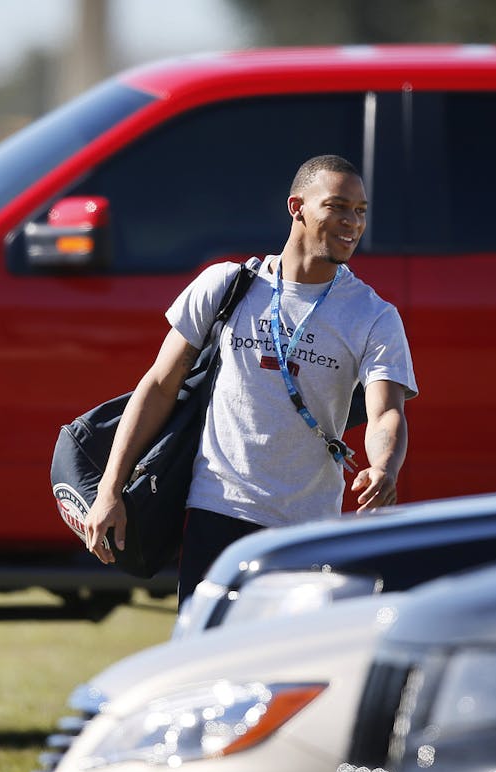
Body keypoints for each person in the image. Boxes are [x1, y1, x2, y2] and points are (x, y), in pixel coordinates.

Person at [83, 154, 418, 606]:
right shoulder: (226, 285)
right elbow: (159, 385)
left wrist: (384, 467)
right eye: (337, 206)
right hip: (217, 509)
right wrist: (109, 490)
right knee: (204, 661)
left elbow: (385, 413)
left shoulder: (374, 316)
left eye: (360, 211)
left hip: (308, 528)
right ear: (296, 207)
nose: (352, 222)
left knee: (291, 668)